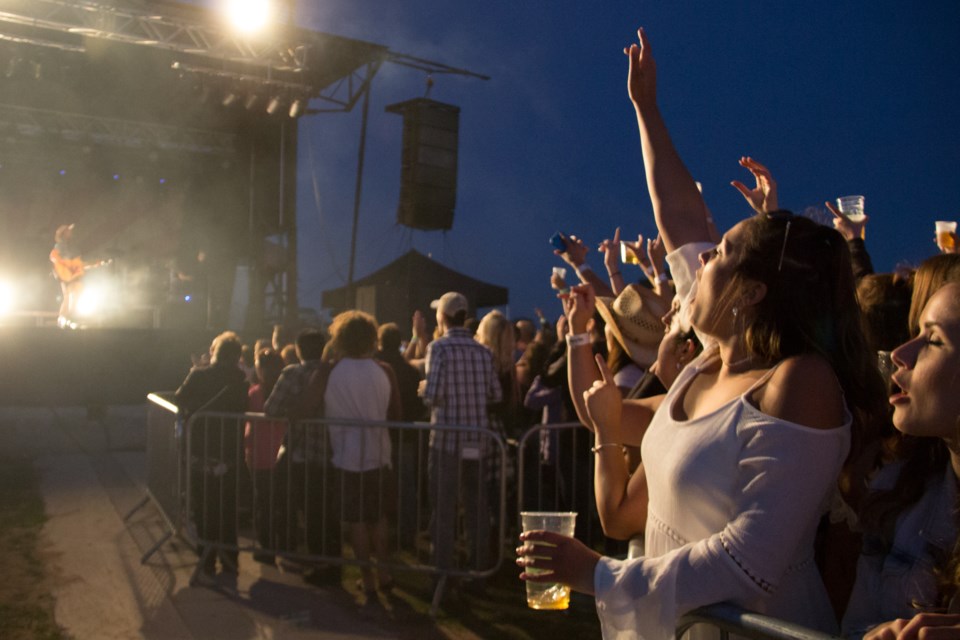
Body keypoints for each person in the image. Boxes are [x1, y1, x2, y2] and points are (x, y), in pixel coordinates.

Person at [518, 28, 886, 638]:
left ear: (751, 293)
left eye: (721, 255)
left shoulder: (801, 382)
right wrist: (646, 108)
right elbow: (679, 221)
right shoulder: (704, 366)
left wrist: (599, 576)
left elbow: (750, 562)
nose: (701, 259)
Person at [842, 281, 960, 638]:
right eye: (915, 333)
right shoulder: (899, 491)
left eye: (933, 340)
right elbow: (853, 628)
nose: (899, 353)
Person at [420, 291, 502, 578]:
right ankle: (478, 567)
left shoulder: (438, 348)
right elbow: (496, 393)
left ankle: (442, 570)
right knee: (476, 505)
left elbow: (433, 395)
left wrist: (423, 389)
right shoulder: (483, 351)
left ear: (442, 317)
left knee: (444, 507)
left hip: (446, 440)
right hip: (477, 439)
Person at [324, 311, 401, 597]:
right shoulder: (384, 370)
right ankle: (385, 572)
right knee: (379, 517)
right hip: (380, 454)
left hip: (346, 456)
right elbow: (396, 414)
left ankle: (367, 578)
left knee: (356, 520)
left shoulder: (332, 371)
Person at [263, 328, 342, 585]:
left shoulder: (292, 373)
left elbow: (271, 408)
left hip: (301, 453)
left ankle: (315, 564)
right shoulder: (336, 373)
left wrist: (293, 410)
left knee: (307, 511)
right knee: (327, 511)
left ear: (298, 350)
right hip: (334, 451)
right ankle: (333, 563)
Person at [175, 332, 249, 582]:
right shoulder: (240, 379)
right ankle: (231, 562)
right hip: (228, 452)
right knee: (227, 508)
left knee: (203, 506)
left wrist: (197, 369)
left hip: (201, 450)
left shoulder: (199, 375)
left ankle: (206, 560)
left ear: (214, 351)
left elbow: (180, 398)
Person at [244, 348, 286, 564]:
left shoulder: (255, 393)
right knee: (280, 501)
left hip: (260, 454)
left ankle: (266, 546)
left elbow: (248, 424)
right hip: (280, 453)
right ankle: (284, 544)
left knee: (263, 502)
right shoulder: (284, 392)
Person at [49, 223, 104, 329]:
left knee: (75, 295)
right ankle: (63, 319)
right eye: (68, 231)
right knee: (68, 297)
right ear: (63, 234)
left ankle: (68, 318)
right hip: (66, 276)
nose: (71, 233)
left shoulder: (72, 247)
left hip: (72, 275)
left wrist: (96, 263)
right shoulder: (60, 246)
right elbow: (61, 261)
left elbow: (78, 264)